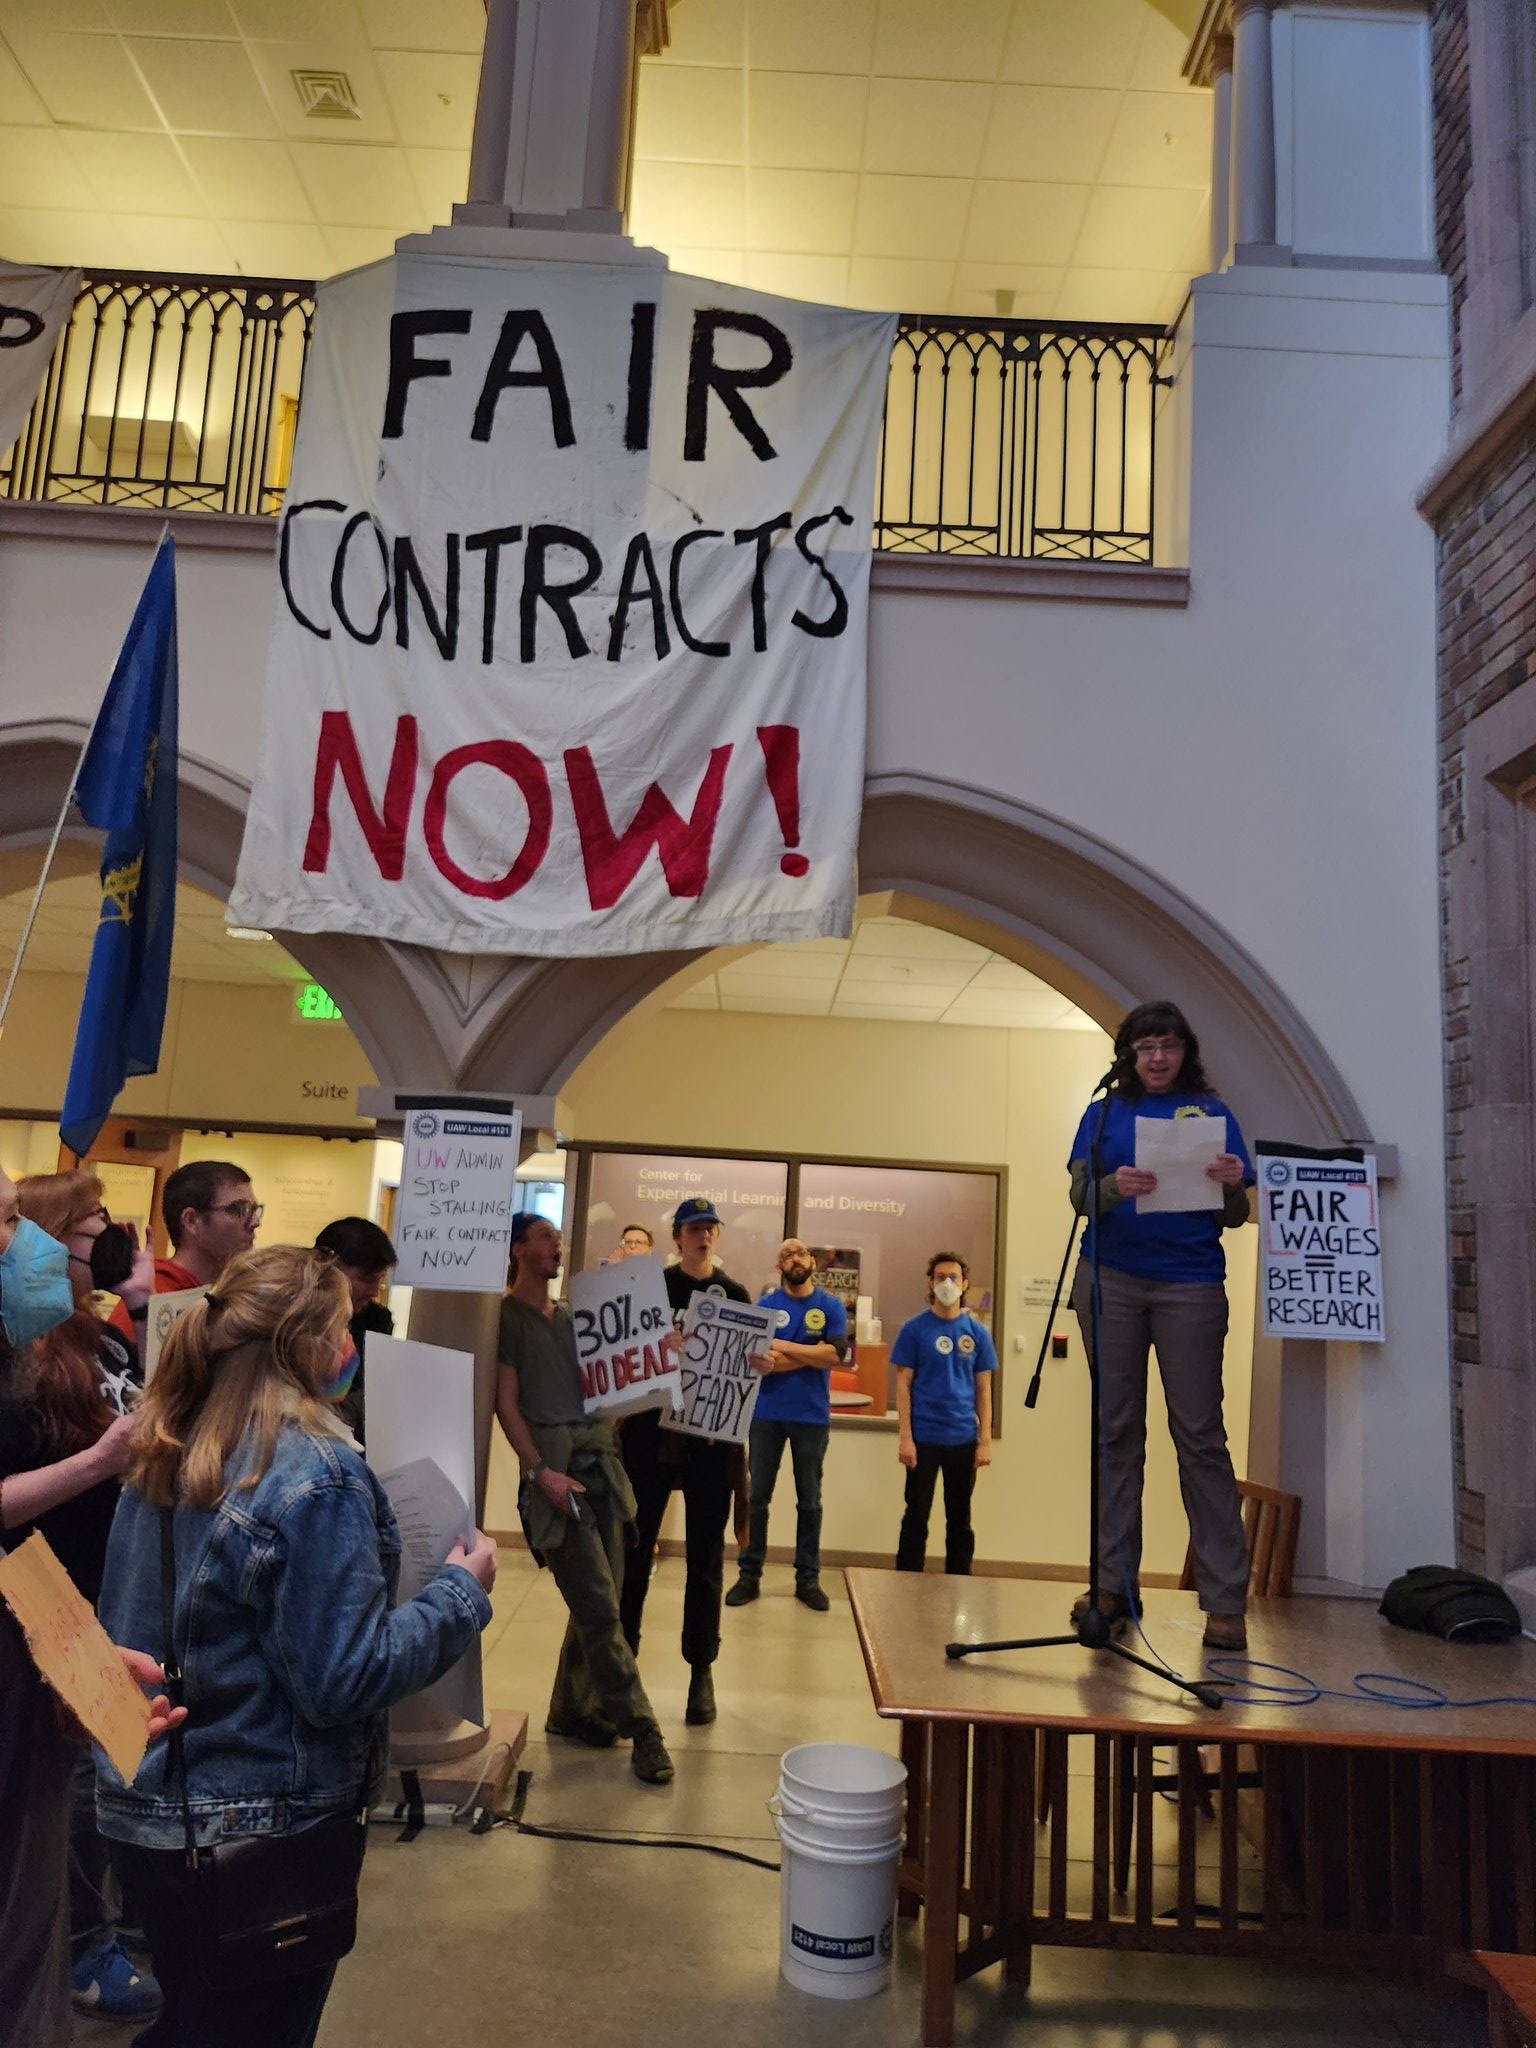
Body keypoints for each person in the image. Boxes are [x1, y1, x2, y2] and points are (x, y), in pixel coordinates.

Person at [95, 1242, 497, 2048]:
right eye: (345, 1328)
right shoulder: (316, 1472)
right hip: (262, 1833)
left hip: (150, 1812)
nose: (352, 1349)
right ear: (313, 1345)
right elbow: (343, 1679)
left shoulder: (168, 1442)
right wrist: (461, 1593)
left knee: (194, 2019)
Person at [0, 1160, 184, 2048]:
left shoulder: (93, 1336)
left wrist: (142, 1305)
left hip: (69, 1607)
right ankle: (87, 1946)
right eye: (9, 1225)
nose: (24, 1248)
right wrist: (94, 1463)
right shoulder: (26, 1352)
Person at [1067, 999, 1255, 1652]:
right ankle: (1112, 1586)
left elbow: (1233, 1215)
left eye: (1168, 1045)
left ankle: (1226, 1599)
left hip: (1192, 1282)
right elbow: (1078, 1199)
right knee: (1115, 1432)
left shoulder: (1213, 1113)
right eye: (1144, 1046)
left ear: (1184, 1052)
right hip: (1109, 1279)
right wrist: (1113, 1185)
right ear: (1127, 1054)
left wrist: (1233, 1186)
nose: (1156, 1057)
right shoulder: (1103, 1116)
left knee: (1200, 1435)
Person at [495, 1212, 675, 1782]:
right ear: (520, 1248)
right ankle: (641, 1726)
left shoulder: (575, 1319)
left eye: (557, 1238)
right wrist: (539, 1472)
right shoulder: (506, 1318)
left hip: (603, 1468)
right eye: (546, 1236)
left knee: (606, 1602)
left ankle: (570, 1712)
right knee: (598, 1605)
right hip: (559, 1479)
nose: (557, 1245)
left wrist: (667, 1346)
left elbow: (615, 1382)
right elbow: (506, 1403)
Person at [618, 1196, 755, 1726]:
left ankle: (701, 1670)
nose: (703, 1236)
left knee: (704, 1561)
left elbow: (743, 1370)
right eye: (694, 1228)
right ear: (676, 1236)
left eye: (710, 1229)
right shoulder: (653, 1290)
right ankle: (624, 1664)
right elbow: (626, 1357)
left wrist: (757, 1363)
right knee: (635, 1552)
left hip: (710, 1443)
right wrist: (660, 1346)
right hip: (650, 1437)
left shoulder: (737, 1294)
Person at [726, 1238, 848, 1614]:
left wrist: (784, 1347)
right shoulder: (766, 1306)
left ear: (811, 1261)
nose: (794, 1260)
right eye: (786, 1256)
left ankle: (807, 1579)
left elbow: (836, 1354)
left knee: (809, 1501)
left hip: (812, 1417)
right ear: (779, 1267)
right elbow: (761, 1361)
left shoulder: (830, 1306)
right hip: (765, 1415)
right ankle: (749, 1575)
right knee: (757, 1497)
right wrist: (813, 1354)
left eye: (800, 1253)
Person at [892, 1251, 996, 1576]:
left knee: (960, 1519)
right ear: (930, 1282)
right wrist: (905, 1438)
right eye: (940, 1277)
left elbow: (984, 1390)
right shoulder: (913, 1329)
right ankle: (907, 1581)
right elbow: (902, 1386)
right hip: (923, 1439)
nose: (947, 1284)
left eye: (953, 1278)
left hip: (963, 1440)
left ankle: (959, 1584)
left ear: (965, 1284)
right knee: (916, 1515)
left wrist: (985, 1440)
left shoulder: (978, 1333)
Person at [108, 1158, 260, 1340]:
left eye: (254, 1210)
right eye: (238, 1210)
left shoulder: (231, 1296)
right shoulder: (151, 1300)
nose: (255, 1222)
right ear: (191, 1221)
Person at [313, 1215, 397, 1443]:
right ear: (328, 1266)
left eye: (378, 1281)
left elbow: (374, 1392)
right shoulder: (293, 1320)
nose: (373, 1292)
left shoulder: (377, 1321)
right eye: (367, 1279)